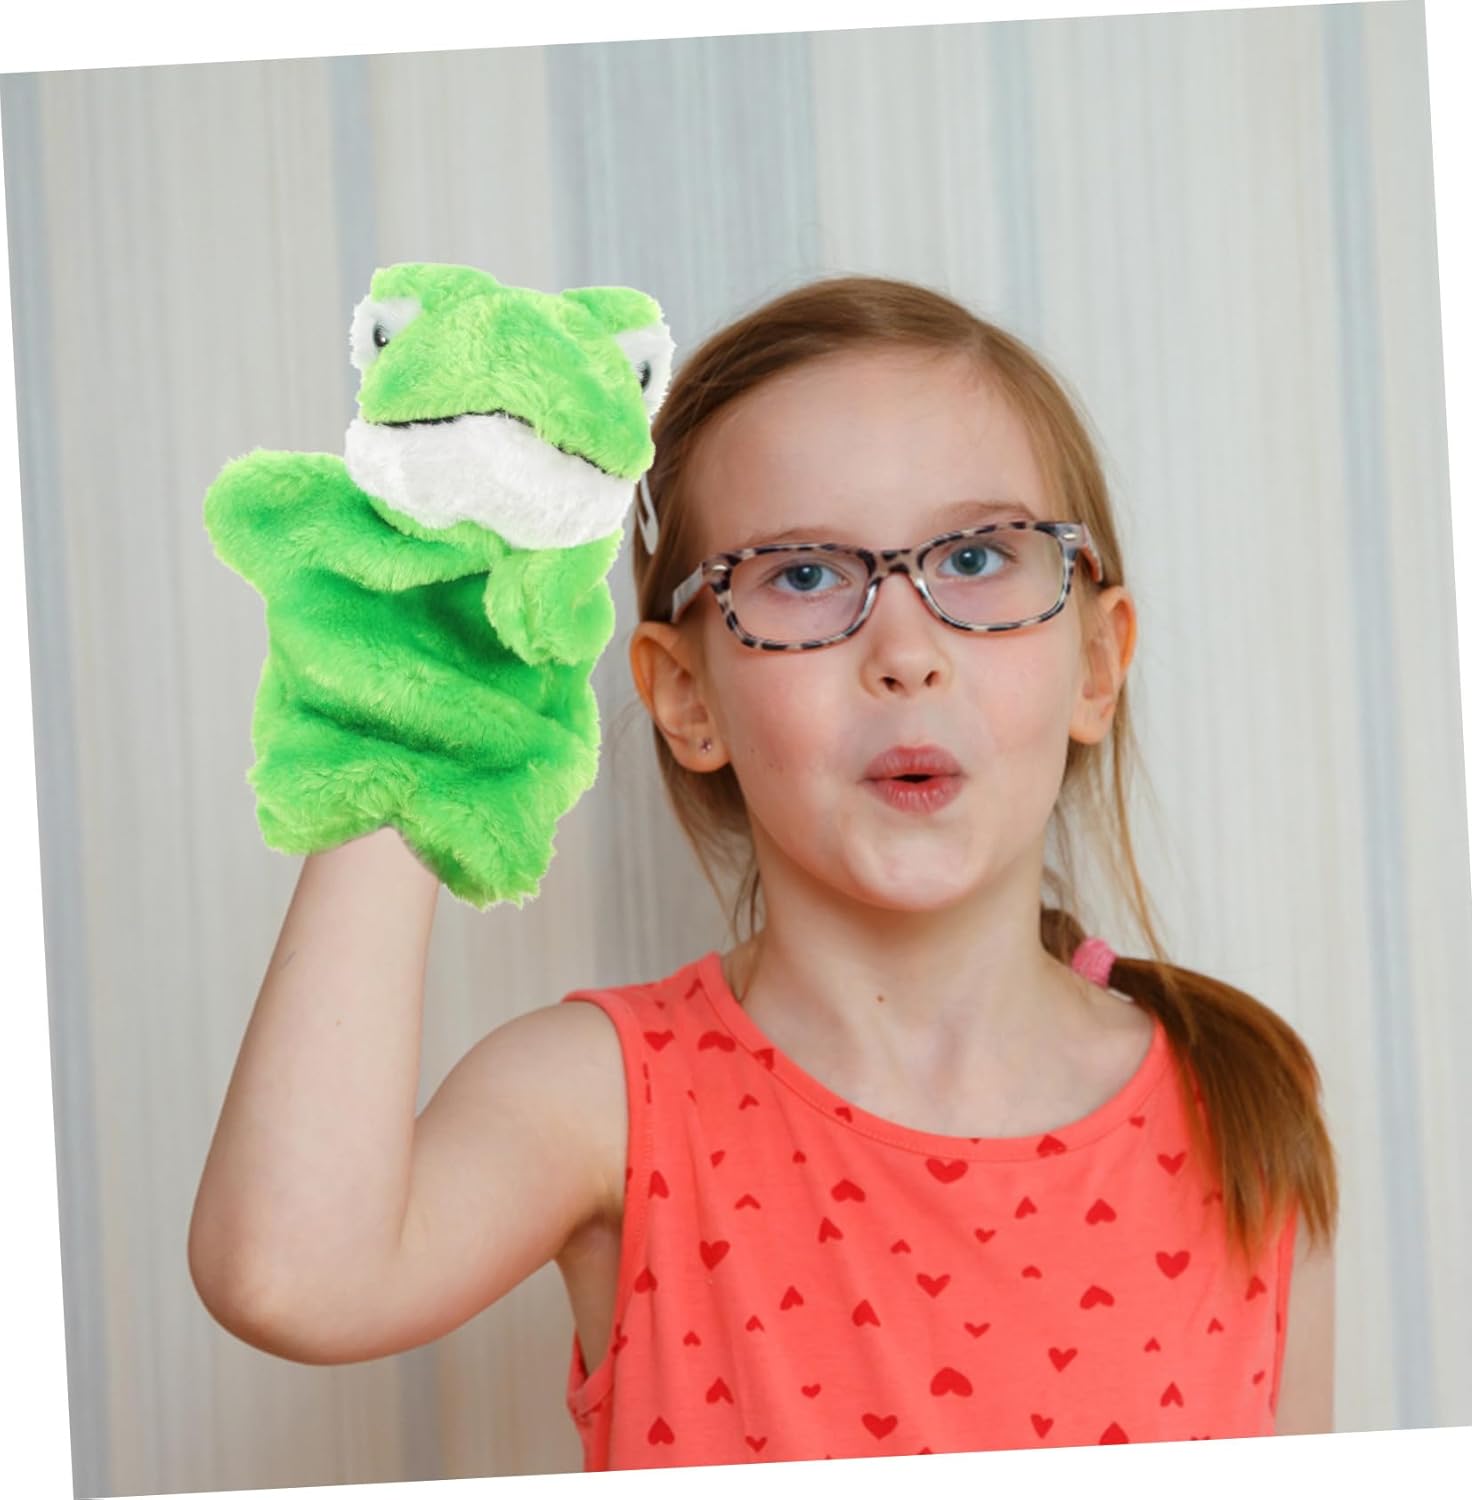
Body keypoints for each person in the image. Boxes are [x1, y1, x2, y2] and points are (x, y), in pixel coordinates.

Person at [188, 273, 1338, 1474]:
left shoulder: (1246, 1106)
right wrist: (411, 723)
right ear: (688, 697)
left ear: (1097, 664)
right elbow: (287, 1276)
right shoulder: (607, 1106)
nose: (906, 653)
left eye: (977, 557)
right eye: (803, 575)